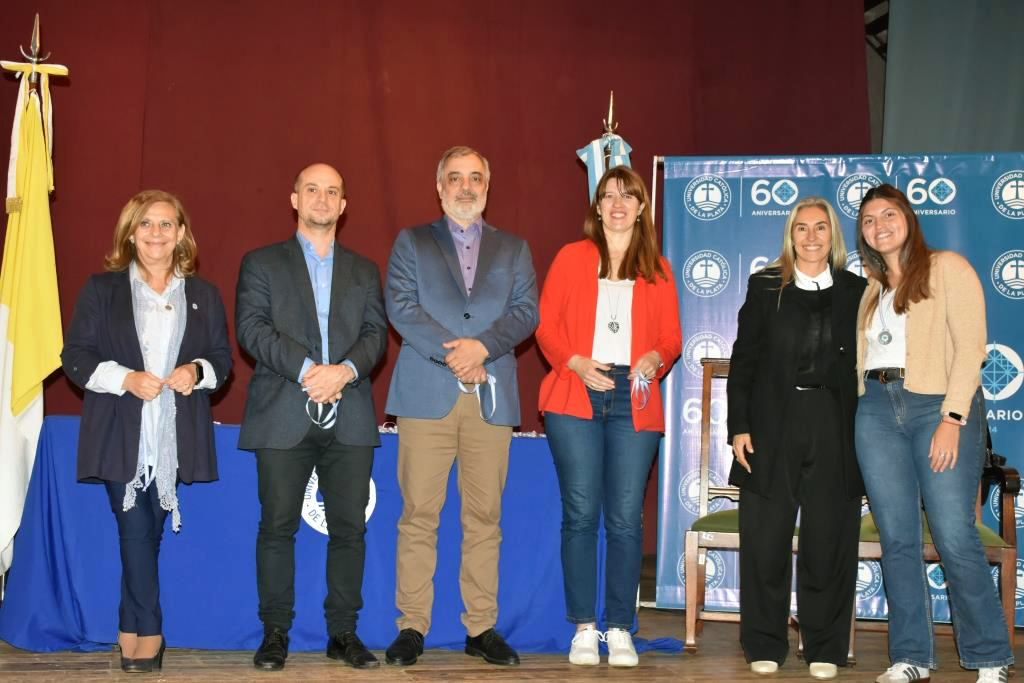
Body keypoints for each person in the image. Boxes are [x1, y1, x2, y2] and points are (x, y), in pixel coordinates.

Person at [61, 190, 232, 674]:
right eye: (146, 225)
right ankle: (153, 631)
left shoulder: (203, 295)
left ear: (181, 234)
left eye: (166, 224)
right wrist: (126, 379)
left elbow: (222, 360)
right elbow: (75, 356)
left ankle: (127, 627)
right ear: (130, 234)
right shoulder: (101, 290)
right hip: (119, 434)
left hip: (175, 437)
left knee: (148, 535)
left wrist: (196, 371)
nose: (156, 234)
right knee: (135, 530)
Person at [383, 146, 538, 667]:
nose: (465, 187)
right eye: (455, 177)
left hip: (491, 400)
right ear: (439, 186)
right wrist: (459, 355)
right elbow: (401, 307)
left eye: (475, 178)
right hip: (427, 396)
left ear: (487, 187)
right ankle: (412, 626)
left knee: (484, 518)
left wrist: (484, 350)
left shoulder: (514, 249)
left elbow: (524, 313)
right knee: (418, 516)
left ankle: (481, 627)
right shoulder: (412, 242)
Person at [854, 184, 1012, 683]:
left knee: (953, 533)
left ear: (909, 218)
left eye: (888, 213)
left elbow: (971, 349)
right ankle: (911, 657)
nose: (879, 224)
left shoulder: (947, 267)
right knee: (897, 539)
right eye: (868, 219)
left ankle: (989, 658)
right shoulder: (871, 287)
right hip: (876, 409)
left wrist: (953, 419)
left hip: (937, 407)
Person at [235, 163, 387, 671]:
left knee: (350, 531)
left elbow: (375, 336)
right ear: (295, 199)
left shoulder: (364, 270)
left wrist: (343, 372)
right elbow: (251, 330)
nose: (322, 199)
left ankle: (343, 633)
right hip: (282, 412)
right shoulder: (261, 263)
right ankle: (274, 632)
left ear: (344, 206)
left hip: (350, 414)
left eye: (333, 192)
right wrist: (309, 371)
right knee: (276, 528)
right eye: (313, 190)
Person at [536, 165, 681, 667]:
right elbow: (546, 325)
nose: (618, 204)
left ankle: (620, 626)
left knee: (624, 519)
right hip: (577, 390)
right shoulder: (572, 257)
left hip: (634, 398)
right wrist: (573, 362)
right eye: (609, 196)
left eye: (628, 196)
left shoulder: (658, 268)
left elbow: (671, 339)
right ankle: (584, 626)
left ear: (642, 208)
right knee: (580, 514)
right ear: (597, 208)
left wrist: (654, 359)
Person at [726, 197, 866, 680]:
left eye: (820, 228)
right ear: (790, 235)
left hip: (836, 424)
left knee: (830, 536)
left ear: (834, 236)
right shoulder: (766, 286)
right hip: (771, 426)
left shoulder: (858, 290)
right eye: (801, 228)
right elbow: (744, 360)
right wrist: (738, 427)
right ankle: (764, 640)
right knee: (765, 537)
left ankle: (824, 645)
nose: (810, 237)